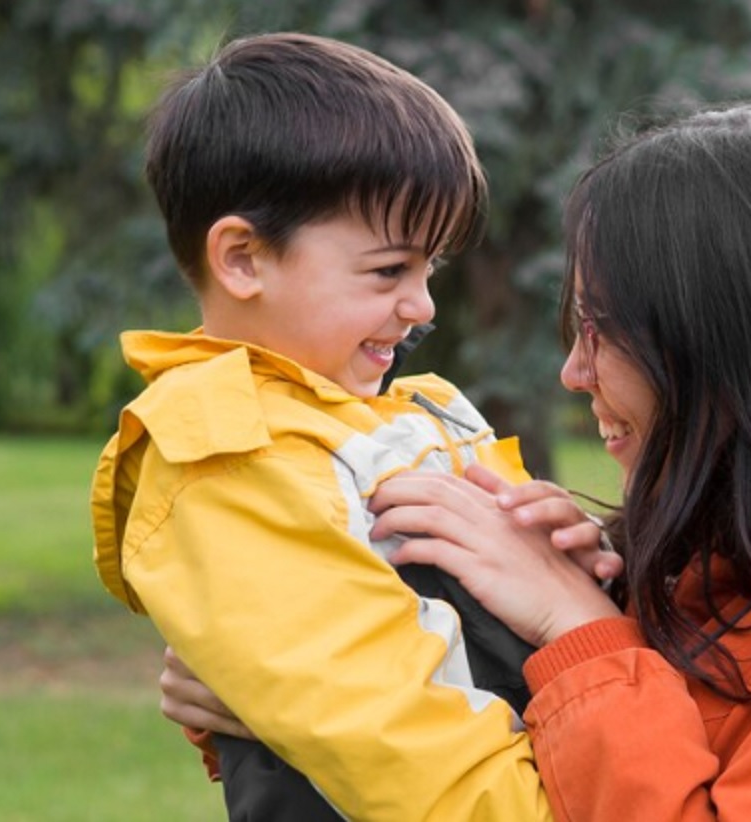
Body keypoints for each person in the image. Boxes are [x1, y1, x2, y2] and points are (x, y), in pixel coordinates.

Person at [162, 102, 751, 820]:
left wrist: (579, 628)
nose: (574, 374)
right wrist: (294, 685)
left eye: (601, 332)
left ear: (732, 340)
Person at [91, 32, 615, 821]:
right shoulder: (227, 454)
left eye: (429, 270)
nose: (423, 306)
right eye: (387, 272)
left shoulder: (409, 411)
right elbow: (391, 742)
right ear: (242, 259)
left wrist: (588, 559)